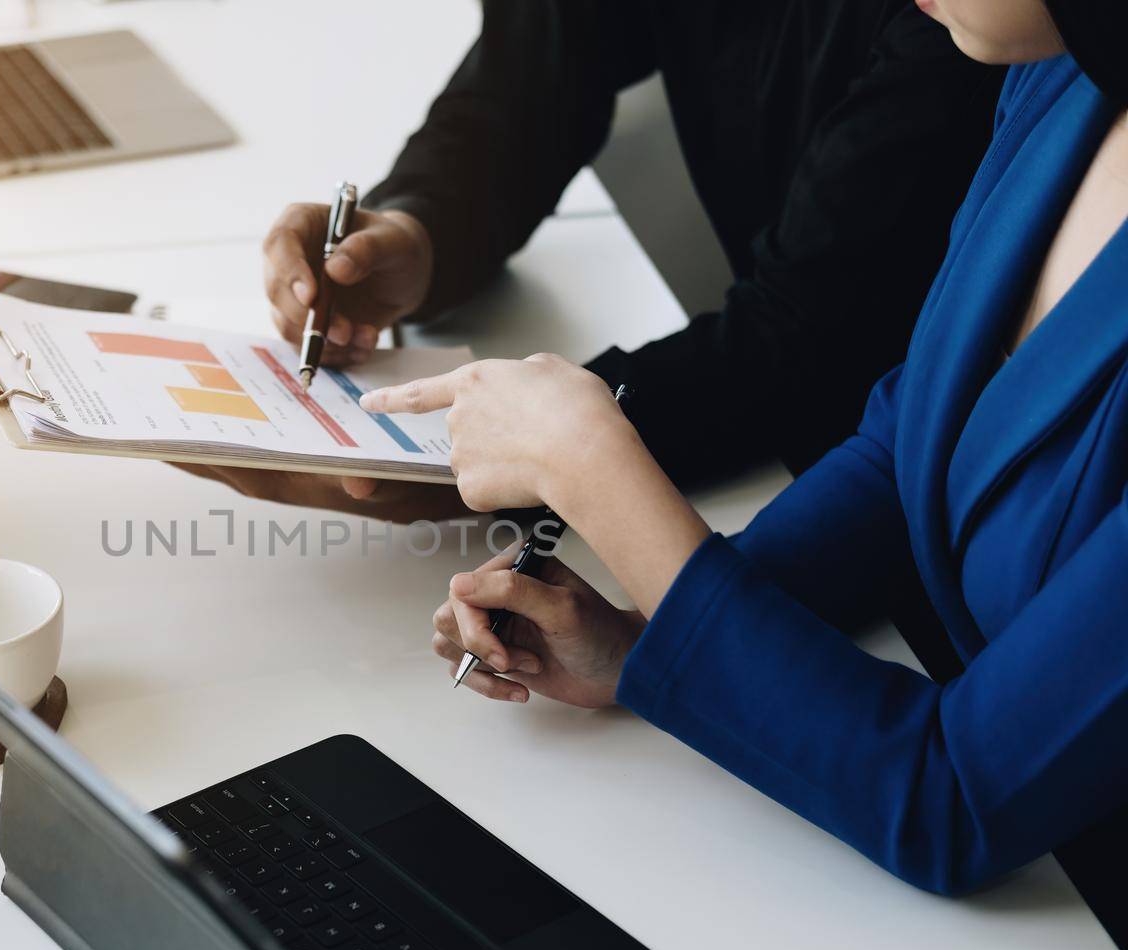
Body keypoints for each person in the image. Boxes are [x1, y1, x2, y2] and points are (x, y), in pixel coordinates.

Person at [359, 0, 1128, 898]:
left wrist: (592, 469)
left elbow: (951, 802)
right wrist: (656, 637)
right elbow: (905, 444)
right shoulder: (1067, 78)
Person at [186, 0, 1005, 524]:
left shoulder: (963, 21)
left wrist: (538, 457)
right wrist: (419, 231)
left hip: (905, 483)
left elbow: (808, 342)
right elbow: (526, 81)